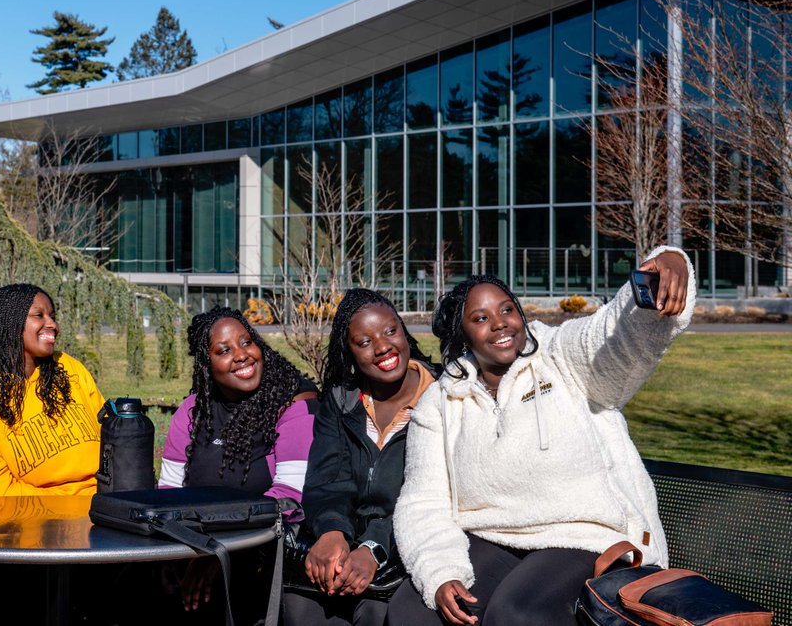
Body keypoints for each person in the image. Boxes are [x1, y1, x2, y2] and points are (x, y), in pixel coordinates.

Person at [388, 249, 695, 626]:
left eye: (507, 310)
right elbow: (423, 499)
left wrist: (668, 265)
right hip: (492, 534)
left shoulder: (559, 356)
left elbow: (610, 338)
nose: (500, 324)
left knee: (518, 614)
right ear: (462, 333)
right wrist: (440, 572)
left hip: (583, 533)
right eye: (480, 318)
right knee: (412, 612)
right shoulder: (442, 400)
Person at [286, 288, 436, 626]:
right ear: (349, 353)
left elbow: (431, 499)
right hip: (345, 543)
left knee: (375, 613)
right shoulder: (342, 402)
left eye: (390, 331)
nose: (383, 347)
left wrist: (372, 548)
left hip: (406, 547)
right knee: (298, 607)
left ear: (403, 330)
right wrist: (331, 532)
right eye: (364, 342)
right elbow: (327, 480)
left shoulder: (441, 398)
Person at [158, 306, 316, 621]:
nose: (241, 354)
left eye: (246, 342)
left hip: (264, 550)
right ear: (207, 365)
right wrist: (168, 553)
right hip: (193, 546)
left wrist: (218, 551)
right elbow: (167, 491)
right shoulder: (192, 411)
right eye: (224, 350)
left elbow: (289, 497)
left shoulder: (293, 407)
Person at [0, 283, 105, 495]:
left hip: (105, 506)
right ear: (9, 322)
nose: (53, 325)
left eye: (52, 316)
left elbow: (112, 438)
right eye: (39, 315)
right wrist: (75, 505)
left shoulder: (69, 368)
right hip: (28, 521)